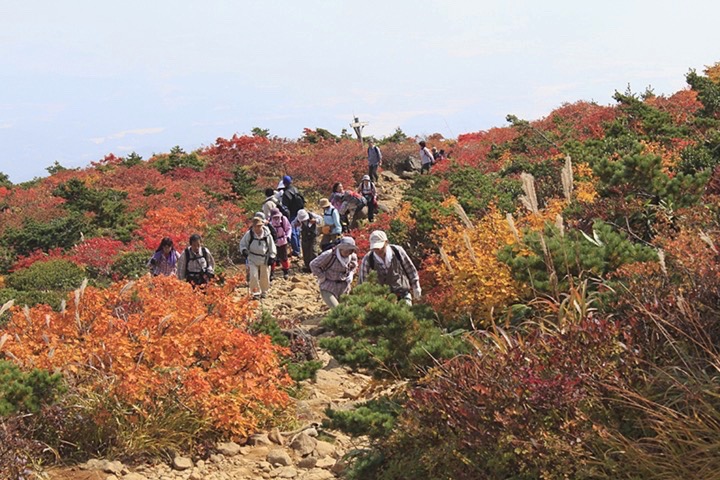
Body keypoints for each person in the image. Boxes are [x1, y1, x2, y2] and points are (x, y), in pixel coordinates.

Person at [359, 230, 421, 305]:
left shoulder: (397, 251)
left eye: (380, 247)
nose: (378, 250)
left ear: (386, 242)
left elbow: (410, 270)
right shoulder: (368, 259)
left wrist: (416, 287)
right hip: (381, 300)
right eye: (375, 248)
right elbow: (363, 282)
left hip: (402, 294)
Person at [310, 236, 358, 309]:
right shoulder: (330, 255)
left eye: (350, 251)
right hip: (328, 286)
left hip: (344, 287)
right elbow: (313, 264)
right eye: (346, 250)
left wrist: (351, 274)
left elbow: (354, 267)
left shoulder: (352, 257)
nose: (348, 253)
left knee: (345, 310)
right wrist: (322, 276)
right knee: (337, 309)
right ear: (341, 248)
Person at [239, 217, 277, 298]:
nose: (257, 228)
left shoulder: (267, 235)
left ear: (262, 226)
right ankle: (255, 292)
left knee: (265, 275)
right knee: (253, 275)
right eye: (255, 226)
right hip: (252, 257)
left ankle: (264, 291)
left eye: (259, 226)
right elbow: (242, 244)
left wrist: (272, 256)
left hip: (264, 258)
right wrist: (244, 250)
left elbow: (272, 246)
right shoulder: (249, 234)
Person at [281, 175, 305, 257]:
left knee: (292, 232)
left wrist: (285, 217)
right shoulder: (295, 189)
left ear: (284, 183)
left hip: (291, 214)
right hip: (299, 213)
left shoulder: (286, 193)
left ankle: (296, 251)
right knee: (297, 231)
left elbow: (285, 207)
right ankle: (299, 248)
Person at [269, 207, 292, 279]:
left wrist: (288, 236)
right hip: (273, 242)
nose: (276, 218)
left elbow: (288, 228)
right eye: (274, 217)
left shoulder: (283, 219)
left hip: (282, 240)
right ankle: (271, 273)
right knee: (272, 257)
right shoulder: (269, 221)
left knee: (284, 257)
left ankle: (286, 271)